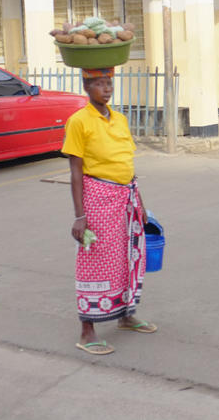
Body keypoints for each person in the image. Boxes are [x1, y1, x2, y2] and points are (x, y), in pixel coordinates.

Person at [62, 67, 157, 355]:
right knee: (96, 260)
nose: (106, 89)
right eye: (100, 84)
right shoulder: (79, 121)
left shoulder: (120, 119)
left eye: (109, 83)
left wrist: (138, 201)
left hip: (125, 197)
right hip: (98, 198)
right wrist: (80, 216)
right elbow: (76, 171)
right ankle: (87, 331)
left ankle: (126, 314)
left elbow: (127, 162)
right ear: (86, 87)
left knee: (127, 256)